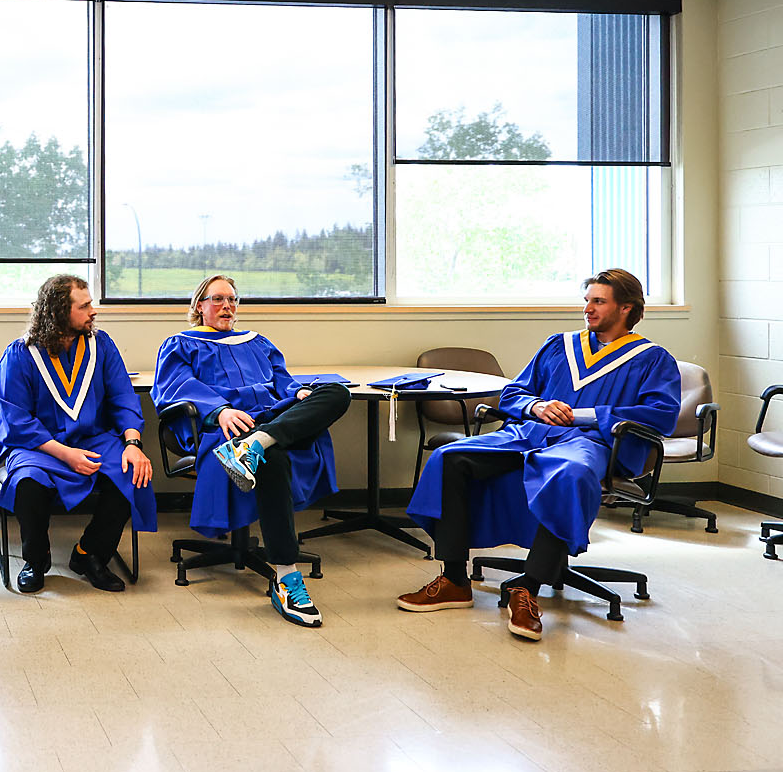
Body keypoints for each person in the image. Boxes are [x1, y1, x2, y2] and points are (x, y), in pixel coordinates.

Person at [399, 269, 680, 641]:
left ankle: (527, 589)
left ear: (626, 308)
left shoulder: (652, 359)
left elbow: (662, 414)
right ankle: (454, 580)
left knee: (570, 474)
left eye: (599, 302)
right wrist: (536, 406)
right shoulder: (559, 345)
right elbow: (514, 393)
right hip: (530, 433)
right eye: (587, 300)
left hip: (588, 442)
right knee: (450, 457)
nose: (588, 309)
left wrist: (585, 415)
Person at [152, 274, 349, 626]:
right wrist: (220, 411)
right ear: (199, 306)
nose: (227, 306)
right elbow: (175, 388)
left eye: (232, 299)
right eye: (217, 299)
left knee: (337, 392)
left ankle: (259, 442)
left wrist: (298, 394)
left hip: (273, 418)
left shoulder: (258, 342)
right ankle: (286, 577)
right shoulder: (181, 344)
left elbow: (282, 380)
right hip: (230, 427)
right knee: (272, 458)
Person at [0, 274, 155, 593]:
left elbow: (122, 397)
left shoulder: (100, 345)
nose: (93, 311)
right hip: (38, 444)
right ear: (57, 312)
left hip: (93, 438)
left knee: (131, 472)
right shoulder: (21, 354)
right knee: (28, 483)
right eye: (84, 306)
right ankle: (36, 559)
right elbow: (16, 419)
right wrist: (66, 454)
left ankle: (89, 554)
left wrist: (133, 443)